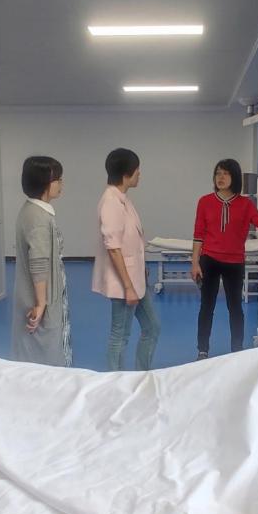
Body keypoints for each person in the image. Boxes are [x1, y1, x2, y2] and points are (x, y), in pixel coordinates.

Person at [191, 159, 258, 359]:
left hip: (234, 262)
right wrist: (195, 262)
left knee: (235, 308)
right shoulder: (205, 202)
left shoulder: (245, 204)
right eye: (218, 173)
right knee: (206, 307)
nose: (220, 177)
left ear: (235, 177)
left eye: (225, 173)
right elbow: (198, 234)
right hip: (209, 260)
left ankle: (237, 349)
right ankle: (202, 350)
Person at [92, 148, 160, 370]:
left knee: (152, 327)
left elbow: (132, 240)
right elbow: (113, 248)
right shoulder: (111, 202)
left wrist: (141, 267)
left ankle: (142, 373)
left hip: (135, 279)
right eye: (137, 170)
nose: (139, 174)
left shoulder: (122, 199)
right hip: (124, 283)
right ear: (126, 174)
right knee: (120, 336)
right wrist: (128, 287)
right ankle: (116, 381)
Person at [11, 156, 71, 366]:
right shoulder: (38, 218)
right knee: (43, 352)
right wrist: (41, 303)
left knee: (37, 350)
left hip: (45, 291)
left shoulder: (33, 211)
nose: (61, 184)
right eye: (58, 179)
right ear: (45, 182)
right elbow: (39, 262)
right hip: (41, 294)